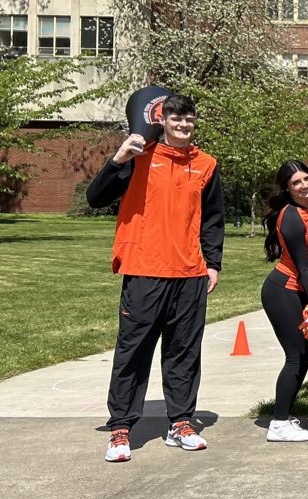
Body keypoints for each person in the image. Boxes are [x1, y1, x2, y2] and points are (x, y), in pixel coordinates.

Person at [85, 94, 222, 462]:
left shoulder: (207, 164)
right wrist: (117, 160)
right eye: (176, 118)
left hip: (190, 273)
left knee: (184, 352)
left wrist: (213, 262)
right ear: (162, 120)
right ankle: (120, 429)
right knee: (133, 352)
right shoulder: (138, 155)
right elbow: (95, 198)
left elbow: (212, 219)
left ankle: (181, 423)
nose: (183, 124)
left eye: (189, 118)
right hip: (144, 268)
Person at [259, 160, 308, 442]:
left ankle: (285, 415)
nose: (305, 185)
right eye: (296, 182)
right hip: (283, 290)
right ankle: (279, 423)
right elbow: (302, 266)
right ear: (287, 188)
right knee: (295, 355)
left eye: (307, 179)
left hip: (297, 289)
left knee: (307, 353)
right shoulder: (291, 216)